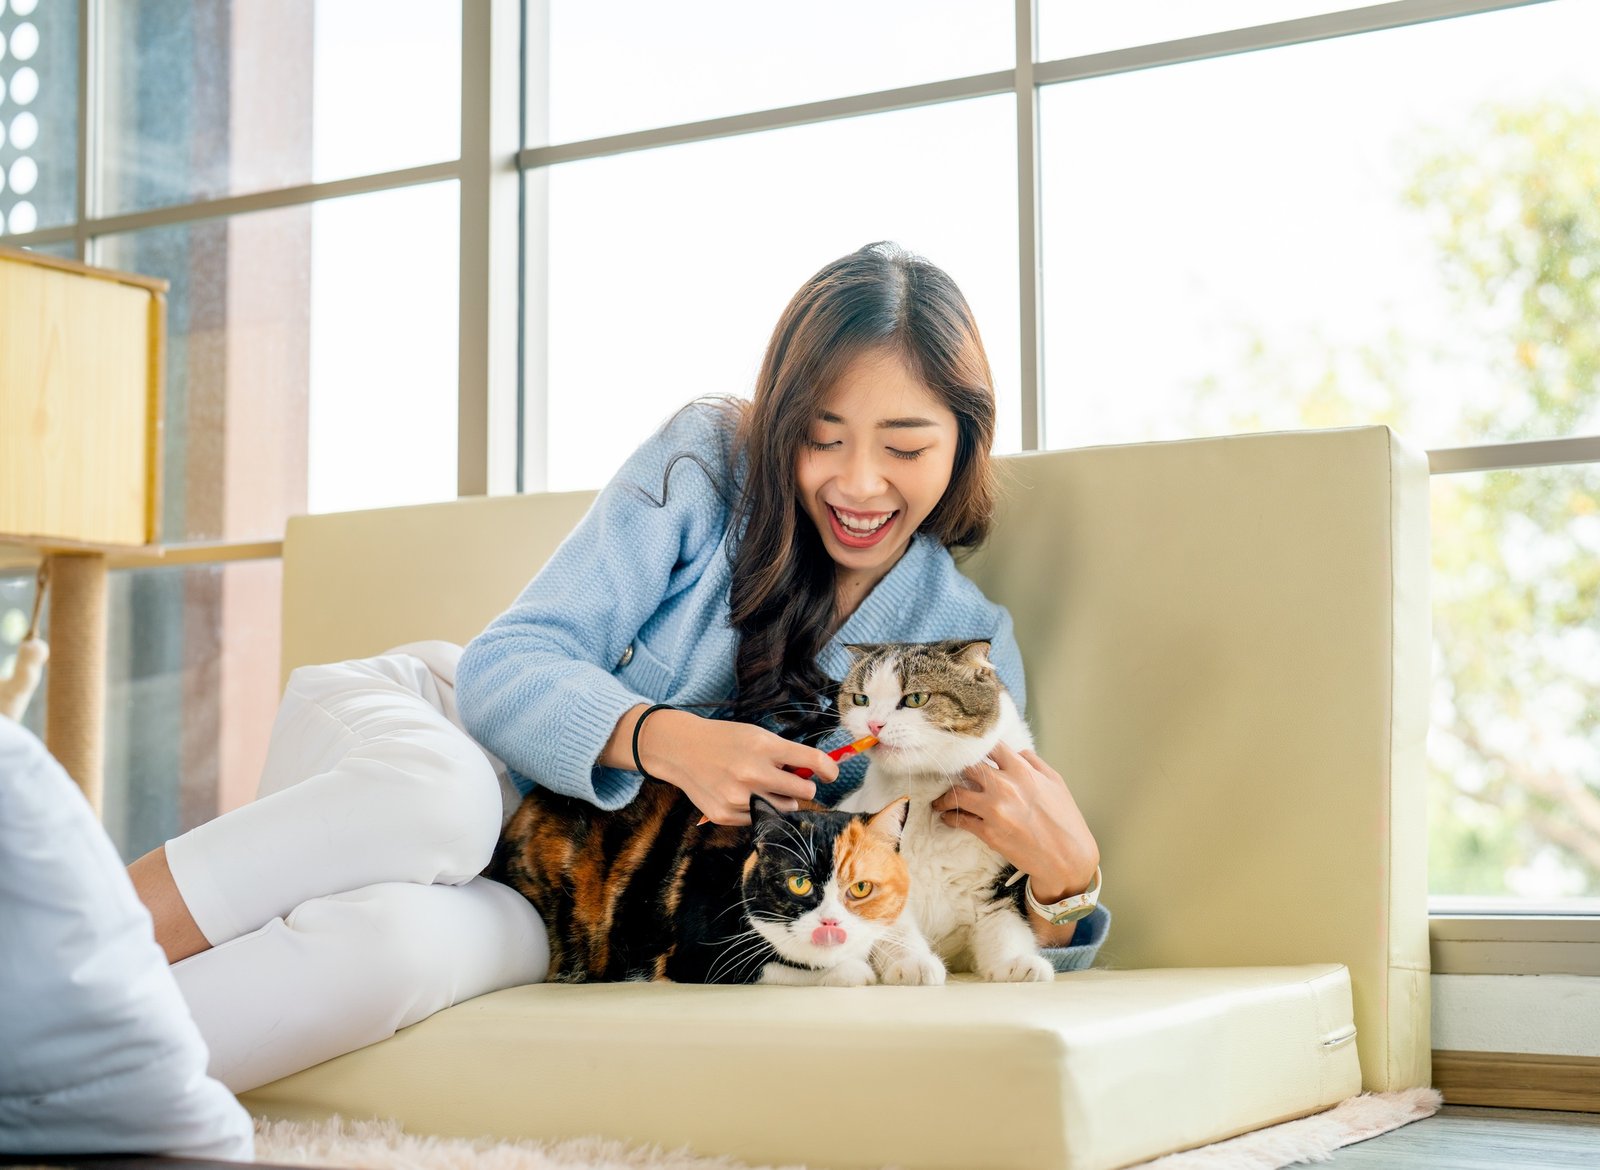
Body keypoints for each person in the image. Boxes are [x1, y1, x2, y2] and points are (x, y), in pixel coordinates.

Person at [129, 241, 1108, 1095]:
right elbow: (507, 663)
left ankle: (70, 1074)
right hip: (432, 744)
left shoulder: (961, 644)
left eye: (905, 446)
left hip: (551, 892)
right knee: (441, 805)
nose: (858, 481)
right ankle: (70, 947)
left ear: (964, 443)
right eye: (822, 438)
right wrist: (664, 739)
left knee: (392, 956)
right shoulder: (709, 467)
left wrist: (1066, 886)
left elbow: (943, 895)